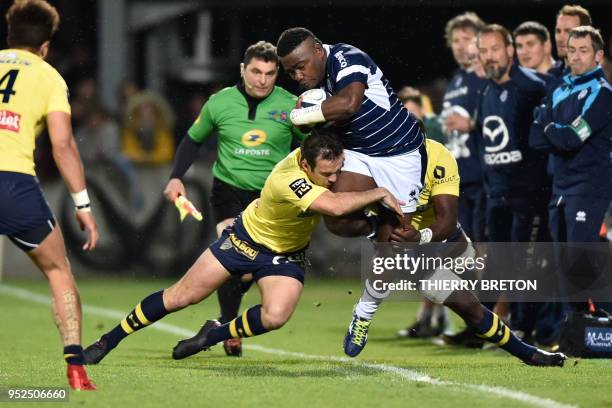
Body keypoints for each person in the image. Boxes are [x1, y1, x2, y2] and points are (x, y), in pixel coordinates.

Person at [82, 129, 404, 364]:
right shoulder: (287, 178)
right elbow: (334, 207)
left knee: (276, 315)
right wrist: (378, 194)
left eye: (337, 171)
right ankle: (107, 341)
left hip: (285, 256)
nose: (335, 179)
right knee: (180, 297)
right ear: (306, 166)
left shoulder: (321, 157)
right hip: (243, 241)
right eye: (327, 174)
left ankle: (213, 334)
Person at [342, 138, 566, 366]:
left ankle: (528, 353)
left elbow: (447, 220)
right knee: (388, 251)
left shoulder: (439, 157)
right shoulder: (375, 156)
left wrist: (421, 237)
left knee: (470, 304)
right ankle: (363, 314)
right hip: (398, 235)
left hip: (433, 239)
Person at [276, 27, 430, 353]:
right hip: (360, 154)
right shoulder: (314, 85)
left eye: (301, 65)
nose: (298, 74)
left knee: (397, 246)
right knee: (337, 216)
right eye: (291, 71)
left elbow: (348, 104)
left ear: (319, 50)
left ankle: (364, 312)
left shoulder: (348, 56)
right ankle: (377, 228)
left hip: (401, 155)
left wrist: (300, 114)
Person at [163, 41, 306, 357]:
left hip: (272, 199)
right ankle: (229, 326)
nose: (262, 80)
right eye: (256, 71)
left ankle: (225, 323)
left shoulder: (291, 106)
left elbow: (312, 148)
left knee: (245, 267)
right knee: (231, 255)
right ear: (243, 70)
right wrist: (176, 176)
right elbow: (192, 140)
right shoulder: (220, 102)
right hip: (229, 192)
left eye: (270, 73)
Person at [0, 0, 99, 390]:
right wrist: (83, 206)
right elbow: (62, 146)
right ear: (44, 46)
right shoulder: (48, 76)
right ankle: (75, 371)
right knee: (59, 271)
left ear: (9, 36)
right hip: (15, 185)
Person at [529, 26, 612, 312]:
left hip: (589, 184)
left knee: (581, 256)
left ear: (598, 55)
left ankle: (605, 319)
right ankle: (574, 329)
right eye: (571, 50)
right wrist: (556, 133)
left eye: (583, 51)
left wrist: (548, 124)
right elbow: (534, 139)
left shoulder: (602, 93)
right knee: (564, 259)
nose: (575, 57)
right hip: (562, 185)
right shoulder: (561, 88)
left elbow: (570, 139)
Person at [440, 12, 487, 244]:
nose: (460, 46)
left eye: (466, 38)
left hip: (484, 174)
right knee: (464, 241)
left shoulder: (485, 76)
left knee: (486, 240)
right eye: (455, 40)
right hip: (460, 176)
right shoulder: (456, 81)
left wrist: (472, 124)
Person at [551, 4, 592, 78]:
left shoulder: (594, 81)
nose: (560, 38)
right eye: (558, 31)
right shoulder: (552, 74)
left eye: (568, 31)